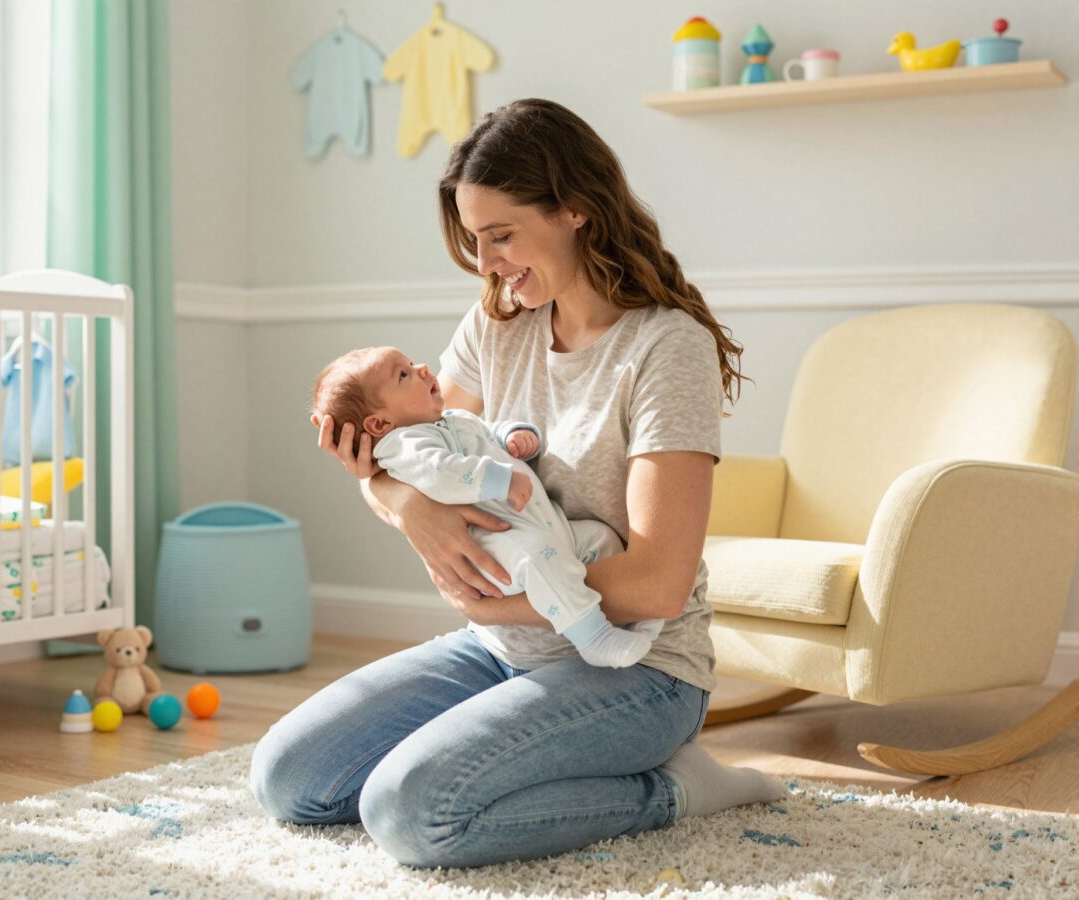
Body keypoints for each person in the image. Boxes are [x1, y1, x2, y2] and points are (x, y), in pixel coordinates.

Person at [250, 98, 783, 870]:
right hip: (503, 649)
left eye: (501, 235)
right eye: (474, 241)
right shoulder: (498, 327)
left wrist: (491, 598)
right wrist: (408, 507)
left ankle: (673, 789)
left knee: (410, 812)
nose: (486, 263)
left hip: (639, 668)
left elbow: (659, 585)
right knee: (288, 778)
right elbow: (403, 462)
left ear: (575, 209)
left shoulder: (667, 349)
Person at [309, 344, 665, 668]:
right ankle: (592, 636)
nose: (421, 368)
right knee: (539, 559)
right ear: (380, 423)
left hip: (542, 523)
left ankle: (635, 617)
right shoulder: (405, 445)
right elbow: (441, 473)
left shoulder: (450, 420)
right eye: (403, 375)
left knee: (600, 538)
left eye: (411, 361)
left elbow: (486, 431)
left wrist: (513, 436)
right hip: (498, 544)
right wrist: (499, 478)